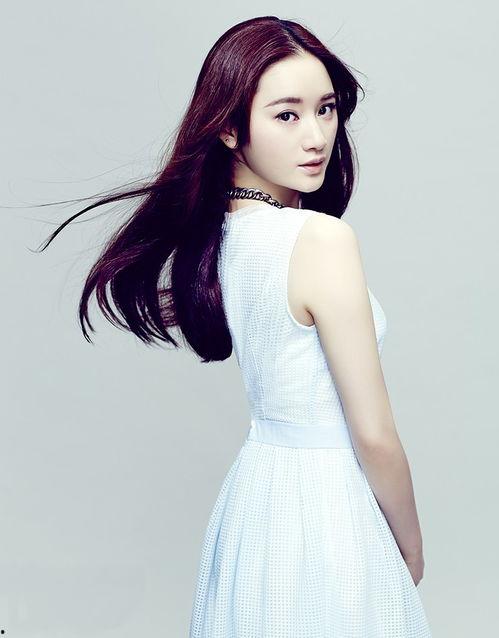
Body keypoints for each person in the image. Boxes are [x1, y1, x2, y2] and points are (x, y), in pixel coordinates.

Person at [36, 15, 432, 637]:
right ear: (227, 127)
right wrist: (410, 547)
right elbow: (375, 434)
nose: (316, 136)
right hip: (328, 505)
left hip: (257, 504)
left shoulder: (223, 236)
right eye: (286, 115)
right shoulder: (320, 240)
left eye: (326, 109)